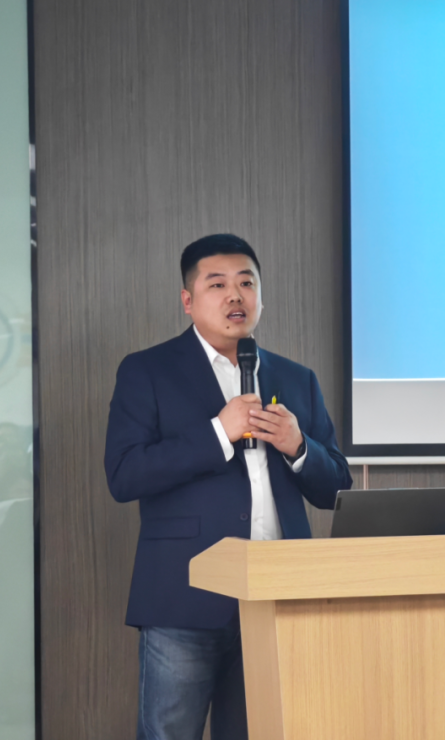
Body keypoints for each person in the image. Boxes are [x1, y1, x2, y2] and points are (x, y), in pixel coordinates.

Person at [104, 234, 352, 740]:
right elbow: (125, 475)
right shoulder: (147, 370)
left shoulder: (296, 378)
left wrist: (298, 446)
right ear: (188, 300)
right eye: (217, 285)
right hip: (184, 596)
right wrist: (219, 432)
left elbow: (335, 488)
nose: (235, 295)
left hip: (279, 596)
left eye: (247, 283)